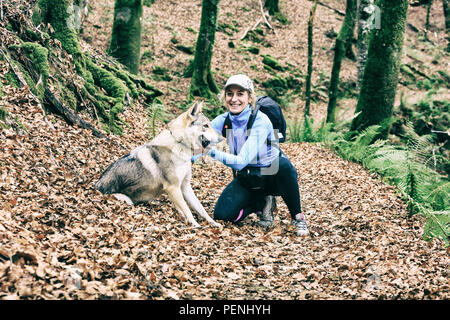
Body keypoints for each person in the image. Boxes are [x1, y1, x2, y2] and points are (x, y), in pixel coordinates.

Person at [199, 74, 309, 236]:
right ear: (224, 97)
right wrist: (185, 157)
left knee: (285, 167)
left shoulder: (261, 121)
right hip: (248, 178)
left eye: (240, 94)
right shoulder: (223, 120)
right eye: (230, 94)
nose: (234, 99)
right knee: (222, 215)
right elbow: (198, 143)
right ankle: (260, 203)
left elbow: (241, 161)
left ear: (250, 97)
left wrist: (210, 151)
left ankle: (297, 217)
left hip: (272, 174)